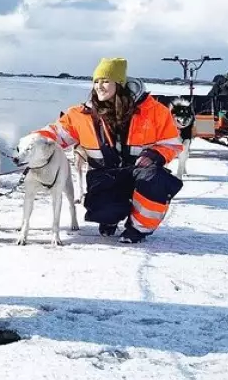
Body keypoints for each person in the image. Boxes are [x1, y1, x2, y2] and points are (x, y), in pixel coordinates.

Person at [25, 57, 184, 244]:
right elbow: (54, 134)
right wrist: (31, 144)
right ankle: (110, 219)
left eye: (105, 81)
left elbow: (172, 143)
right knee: (103, 211)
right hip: (106, 176)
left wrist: (155, 154)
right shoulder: (81, 115)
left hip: (140, 174)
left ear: (120, 83)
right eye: (96, 81)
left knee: (155, 179)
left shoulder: (155, 111)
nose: (99, 86)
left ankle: (138, 228)